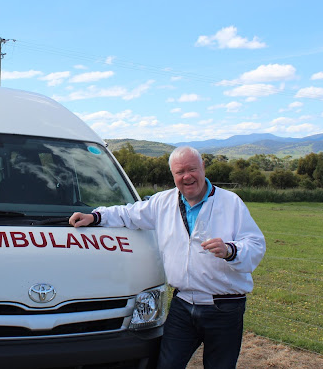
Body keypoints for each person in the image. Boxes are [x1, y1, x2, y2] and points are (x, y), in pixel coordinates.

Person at [69, 146, 265, 369]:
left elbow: (256, 245)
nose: (187, 176)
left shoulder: (230, 203)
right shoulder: (163, 202)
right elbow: (128, 214)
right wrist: (95, 216)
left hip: (224, 306)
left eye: (192, 169)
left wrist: (231, 250)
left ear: (203, 168)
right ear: (173, 175)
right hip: (183, 305)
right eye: (180, 172)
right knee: (167, 364)